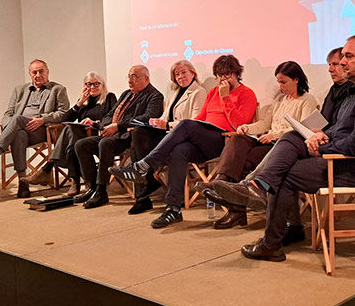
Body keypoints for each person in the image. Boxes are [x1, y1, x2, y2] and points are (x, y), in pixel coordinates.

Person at [211, 35, 355, 261]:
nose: (342, 63)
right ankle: (258, 187)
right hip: (337, 154)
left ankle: (270, 240)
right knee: (292, 137)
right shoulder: (354, 90)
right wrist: (319, 136)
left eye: (348, 57)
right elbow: (338, 128)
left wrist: (322, 147)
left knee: (284, 174)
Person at [109, 54, 257, 228]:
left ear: (237, 74)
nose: (224, 79)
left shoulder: (247, 93)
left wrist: (225, 98)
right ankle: (173, 209)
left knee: (186, 124)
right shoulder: (212, 93)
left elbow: (238, 124)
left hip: (224, 141)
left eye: (228, 75)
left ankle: (143, 166)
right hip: (203, 140)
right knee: (179, 150)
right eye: (220, 75)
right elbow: (201, 118)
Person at [205, 61, 318, 229]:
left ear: (296, 80)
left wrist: (275, 134)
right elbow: (266, 123)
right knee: (238, 139)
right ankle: (222, 182)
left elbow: (303, 129)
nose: (280, 86)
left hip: (286, 147)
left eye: (283, 82)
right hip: (269, 142)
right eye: (278, 82)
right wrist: (247, 127)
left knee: (244, 161)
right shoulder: (280, 100)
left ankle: (236, 210)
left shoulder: (307, 100)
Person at [0, 59, 69, 198]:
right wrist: (11, 128)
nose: (38, 75)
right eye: (34, 72)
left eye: (41, 71)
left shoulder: (58, 89)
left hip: (43, 131)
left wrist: (43, 119)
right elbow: (8, 113)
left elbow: (64, 113)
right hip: (21, 129)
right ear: (30, 74)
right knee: (18, 133)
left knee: (17, 120)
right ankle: (23, 185)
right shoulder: (19, 90)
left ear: (47, 72)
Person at [73, 65, 163, 209]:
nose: (130, 80)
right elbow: (110, 113)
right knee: (81, 145)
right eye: (129, 76)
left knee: (105, 144)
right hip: (116, 134)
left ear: (146, 78)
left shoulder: (155, 96)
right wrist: (105, 125)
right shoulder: (126, 94)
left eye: (134, 77)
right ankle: (92, 187)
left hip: (132, 137)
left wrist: (118, 126)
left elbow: (146, 117)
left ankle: (101, 191)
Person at [125, 60, 208, 214]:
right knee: (138, 134)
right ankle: (146, 186)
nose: (180, 76)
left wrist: (167, 125)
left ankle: (144, 191)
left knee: (140, 143)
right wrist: (156, 122)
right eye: (177, 74)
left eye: (184, 72)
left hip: (185, 138)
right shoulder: (173, 93)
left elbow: (195, 122)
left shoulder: (199, 92)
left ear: (193, 73)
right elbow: (165, 116)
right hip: (168, 135)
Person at [20, 72, 116, 196]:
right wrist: (79, 103)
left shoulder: (109, 98)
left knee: (71, 137)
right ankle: (73, 180)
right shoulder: (84, 101)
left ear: (102, 85)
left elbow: (113, 118)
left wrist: (94, 123)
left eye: (96, 84)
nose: (92, 87)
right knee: (71, 135)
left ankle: (54, 171)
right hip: (81, 136)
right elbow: (64, 119)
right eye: (88, 84)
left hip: (99, 134)